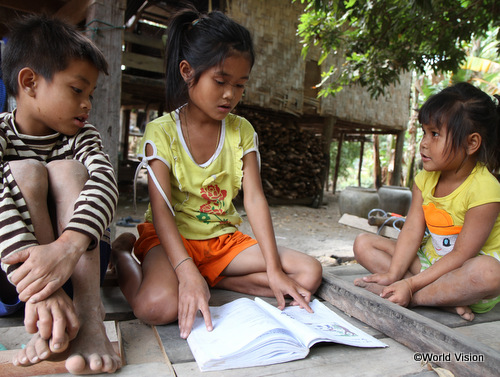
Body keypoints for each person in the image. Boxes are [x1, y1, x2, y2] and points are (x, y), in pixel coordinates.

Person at [112, 7, 323, 339]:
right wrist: (184, 270)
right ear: (187, 71)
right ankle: (122, 252)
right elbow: (163, 210)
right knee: (156, 308)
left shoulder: (243, 131)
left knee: (308, 273)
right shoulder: (161, 132)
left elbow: (254, 199)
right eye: (221, 81)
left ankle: (211, 276)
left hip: (222, 241)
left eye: (240, 85)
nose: (231, 95)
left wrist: (272, 267)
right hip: (171, 241)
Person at [0, 15, 121, 374]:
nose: (87, 104)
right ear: (30, 82)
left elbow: (105, 181)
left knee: (69, 169)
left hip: (80, 266)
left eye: (90, 95)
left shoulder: (82, 138)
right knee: (25, 172)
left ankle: (87, 314)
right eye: (76, 90)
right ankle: (47, 310)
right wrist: (42, 285)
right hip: (18, 278)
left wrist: (67, 245)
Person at [353, 82, 500, 321]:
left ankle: (416, 297)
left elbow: (463, 255)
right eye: (424, 132)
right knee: (363, 244)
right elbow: (411, 230)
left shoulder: (485, 189)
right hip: (428, 264)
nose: (423, 142)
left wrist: (410, 285)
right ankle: (438, 298)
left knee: (490, 273)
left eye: (435, 134)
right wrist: (393, 274)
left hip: (465, 274)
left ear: (471, 143)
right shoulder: (424, 179)